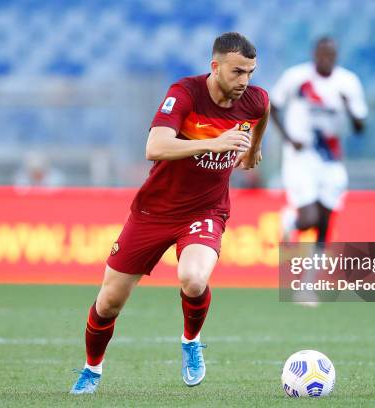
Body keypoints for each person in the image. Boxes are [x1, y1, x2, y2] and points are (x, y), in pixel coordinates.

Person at [70, 32, 270, 394]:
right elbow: (154, 146)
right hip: (154, 211)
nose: (245, 81)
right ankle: (92, 369)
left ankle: (191, 342)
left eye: (251, 73)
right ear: (215, 66)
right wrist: (215, 142)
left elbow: (264, 112)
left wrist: (254, 148)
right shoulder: (185, 94)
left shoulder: (254, 100)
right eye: (238, 71)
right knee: (110, 301)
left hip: (206, 210)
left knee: (193, 278)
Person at [271, 36, 367, 250]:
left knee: (325, 223)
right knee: (309, 218)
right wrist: (288, 138)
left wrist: (349, 107)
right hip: (301, 157)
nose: (325, 59)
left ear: (336, 56)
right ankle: (290, 222)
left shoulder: (348, 82)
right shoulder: (296, 77)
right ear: (314, 54)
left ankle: (311, 281)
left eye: (330, 55)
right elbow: (273, 106)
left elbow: (361, 127)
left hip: (331, 159)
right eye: (321, 54)